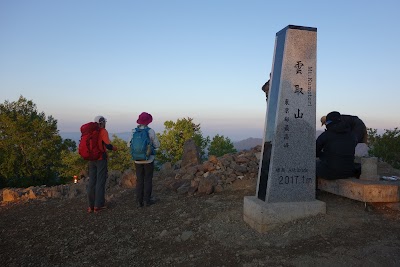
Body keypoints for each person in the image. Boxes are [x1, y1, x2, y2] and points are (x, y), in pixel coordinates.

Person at [316, 111, 360, 179]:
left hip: (330, 172)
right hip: (348, 172)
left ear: (328, 122)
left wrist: (323, 155)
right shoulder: (352, 135)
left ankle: (311, 188)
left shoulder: (326, 135)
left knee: (313, 165)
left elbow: (315, 151)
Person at [87, 116, 118, 213]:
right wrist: (114, 148)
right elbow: (107, 145)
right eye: (104, 122)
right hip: (101, 159)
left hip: (91, 159)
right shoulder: (103, 131)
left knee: (92, 182)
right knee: (100, 181)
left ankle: (90, 206)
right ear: (102, 122)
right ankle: (98, 205)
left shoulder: (89, 131)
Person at [130, 112, 160, 208]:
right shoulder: (150, 131)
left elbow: (128, 144)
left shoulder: (133, 131)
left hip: (137, 160)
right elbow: (157, 145)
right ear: (148, 121)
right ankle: (147, 200)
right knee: (148, 179)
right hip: (148, 159)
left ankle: (139, 201)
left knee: (139, 179)